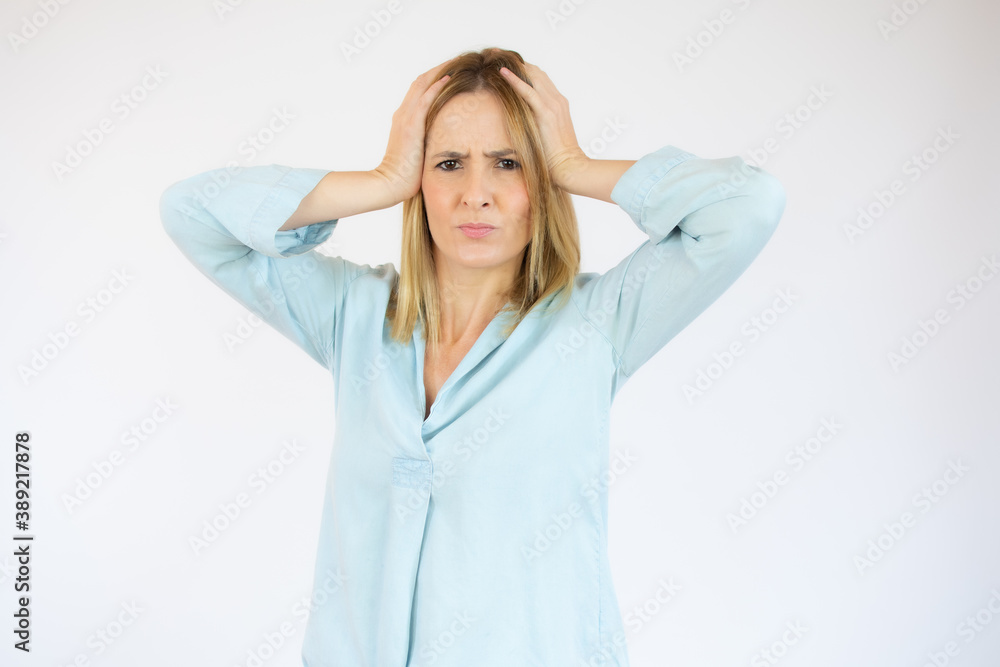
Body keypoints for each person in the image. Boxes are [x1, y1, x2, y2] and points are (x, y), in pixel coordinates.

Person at [160, 47, 785, 667]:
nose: (475, 194)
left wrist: (572, 161)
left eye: (509, 163)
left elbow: (747, 205)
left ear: (540, 184)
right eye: (449, 163)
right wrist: (382, 180)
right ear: (420, 181)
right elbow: (191, 211)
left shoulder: (599, 323)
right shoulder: (353, 315)